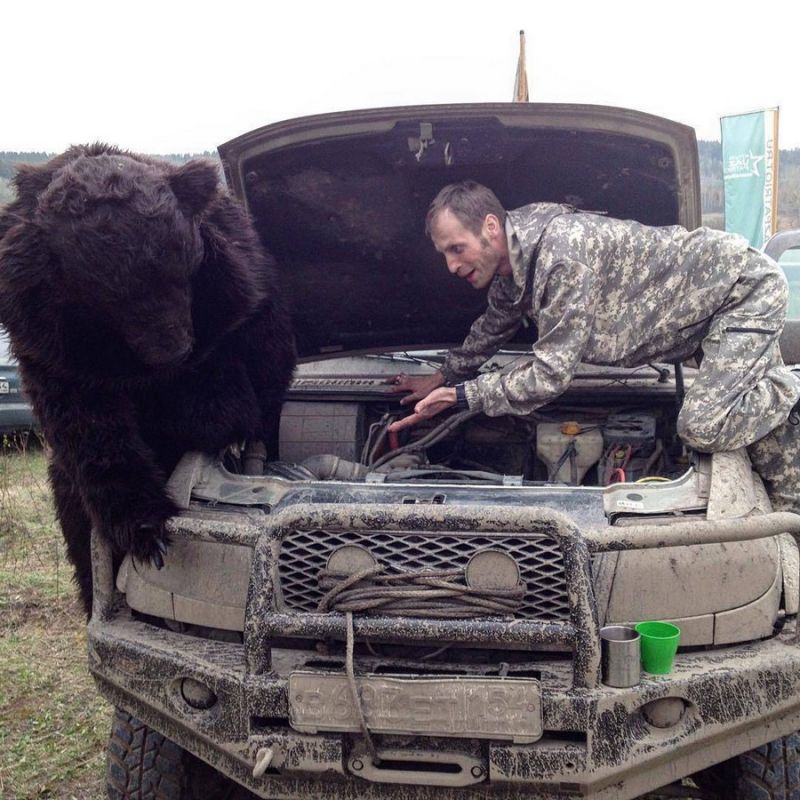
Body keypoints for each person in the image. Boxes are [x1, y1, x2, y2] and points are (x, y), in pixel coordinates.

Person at [388, 180, 800, 511]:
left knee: (702, 425)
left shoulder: (561, 256)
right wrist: (441, 377)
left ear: (491, 227)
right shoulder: (513, 267)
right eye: (444, 254)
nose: (452, 266)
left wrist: (462, 396)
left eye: (457, 249)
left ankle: (791, 384)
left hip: (739, 291)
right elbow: (491, 328)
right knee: (762, 430)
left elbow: (550, 374)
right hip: (698, 323)